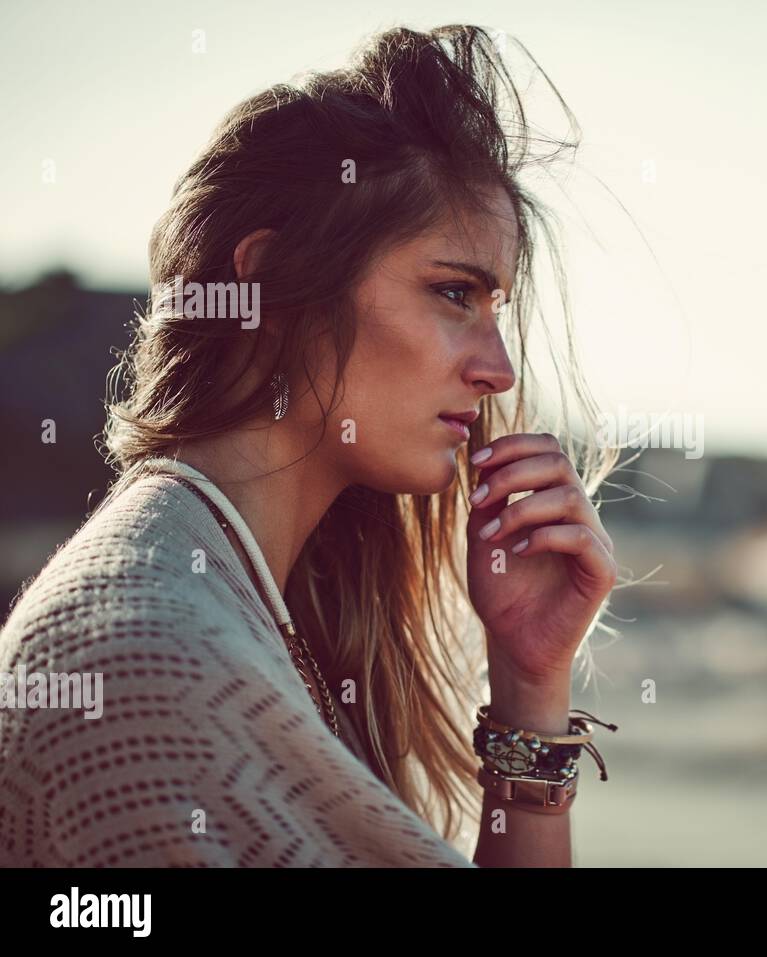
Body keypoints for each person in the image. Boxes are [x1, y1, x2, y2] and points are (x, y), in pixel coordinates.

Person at [0, 24, 622, 868]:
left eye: (495, 307)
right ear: (270, 283)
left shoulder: (255, 610)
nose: (498, 368)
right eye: (452, 292)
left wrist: (530, 681)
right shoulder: (149, 659)